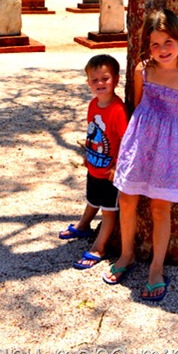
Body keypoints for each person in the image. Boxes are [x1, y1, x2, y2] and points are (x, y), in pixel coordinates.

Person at [102, 8, 178, 301]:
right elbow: (137, 104)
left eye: (168, 42)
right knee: (127, 199)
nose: (162, 50)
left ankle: (156, 269)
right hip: (140, 141)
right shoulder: (142, 70)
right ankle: (126, 255)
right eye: (155, 44)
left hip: (170, 147)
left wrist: (175, 140)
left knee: (161, 208)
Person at [59, 54, 128, 269]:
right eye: (94, 80)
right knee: (91, 199)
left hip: (110, 172)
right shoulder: (93, 104)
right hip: (94, 166)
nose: (100, 84)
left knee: (108, 210)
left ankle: (99, 246)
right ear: (88, 82)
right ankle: (83, 225)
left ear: (116, 80)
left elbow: (126, 141)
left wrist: (118, 165)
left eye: (105, 79)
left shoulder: (118, 110)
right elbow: (92, 131)